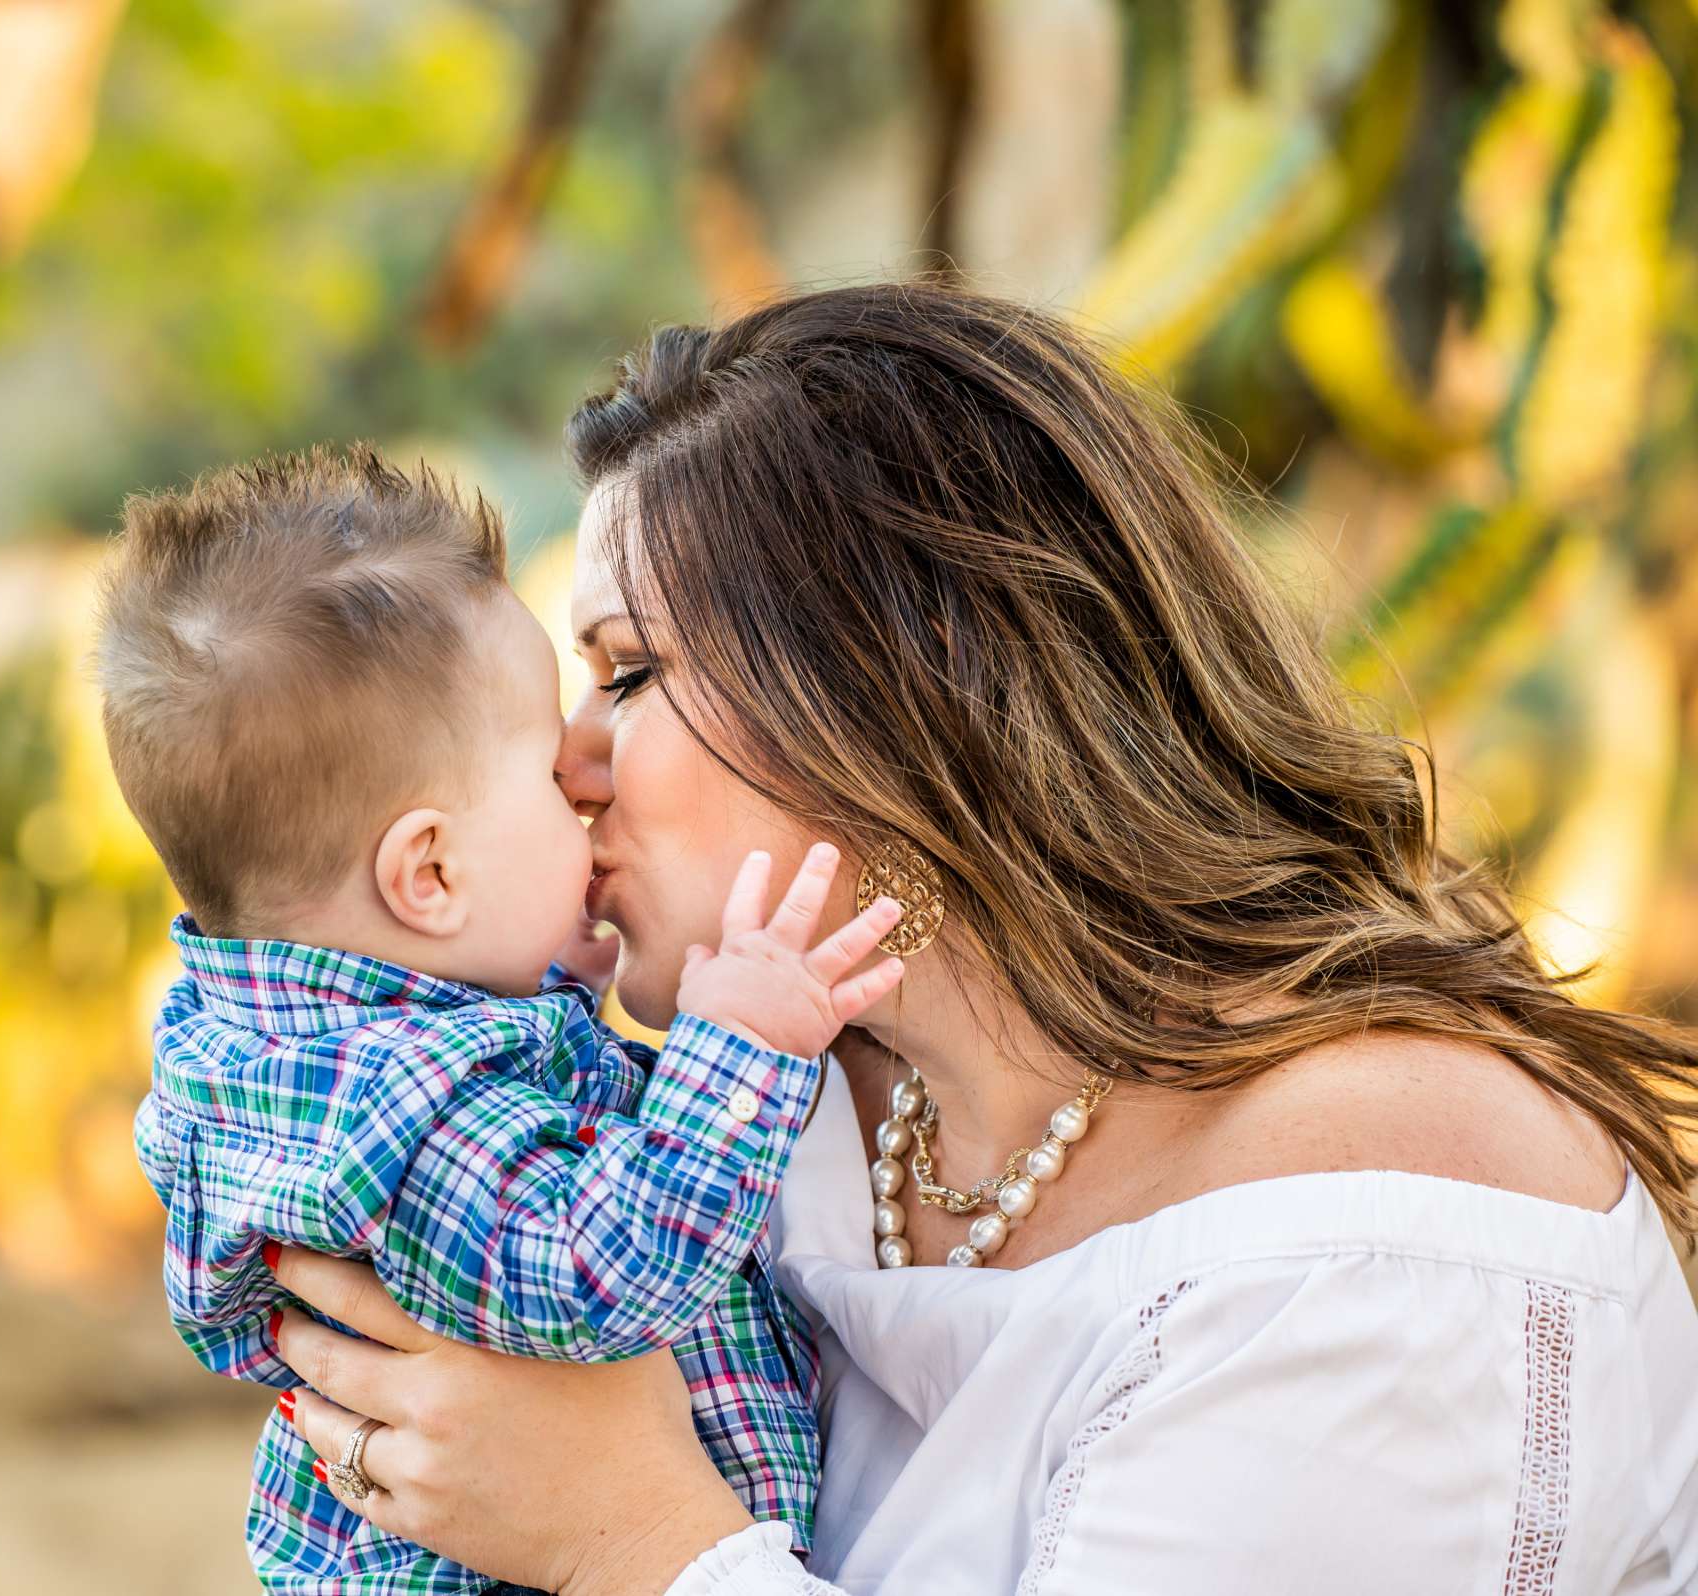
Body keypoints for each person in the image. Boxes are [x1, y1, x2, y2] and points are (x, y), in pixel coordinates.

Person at [257, 282, 1698, 1594]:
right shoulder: (793, 1108)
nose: (570, 764)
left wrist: (631, 1537)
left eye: (630, 674)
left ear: (899, 683)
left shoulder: (1378, 1238)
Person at [96, 446, 908, 1592]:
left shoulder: (340, 1053)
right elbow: (598, 1269)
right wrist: (745, 1048)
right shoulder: (395, 1110)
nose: (583, 774)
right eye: (539, 769)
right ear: (427, 874)